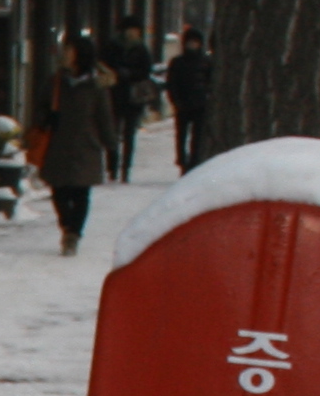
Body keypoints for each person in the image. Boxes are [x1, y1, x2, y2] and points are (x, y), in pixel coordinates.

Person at [39, 32, 119, 256]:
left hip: (86, 146)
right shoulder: (56, 82)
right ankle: (67, 225)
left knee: (81, 193)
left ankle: (73, 234)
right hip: (59, 144)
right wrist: (46, 118)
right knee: (59, 191)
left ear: (79, 55)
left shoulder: (95, 88)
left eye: (68, 50)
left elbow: (104, 119)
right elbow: (41, 107)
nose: (64, 54)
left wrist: (111, 146)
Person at [101, 16, 158, 180]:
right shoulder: (112, 47)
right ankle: (113, 167)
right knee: (113, 133)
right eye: (131, 29)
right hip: (115, 93)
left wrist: (130, 74)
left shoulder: (141, 49)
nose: (134, 33)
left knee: (129, 134)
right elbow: (104, 66)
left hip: (133, 96)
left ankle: (126, 167)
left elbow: (146, 70)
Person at [164, 24, 214, 173]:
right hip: (183, 104)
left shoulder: (206, 62)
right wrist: (175, 100)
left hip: (200, 104)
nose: (192, 44)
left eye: (195, 42)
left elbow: (211, 82)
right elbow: (171, 83)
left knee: (197, 137)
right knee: (181, 136)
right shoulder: (178, 62)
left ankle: (194, 161)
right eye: (190, 41)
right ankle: (182, 160)